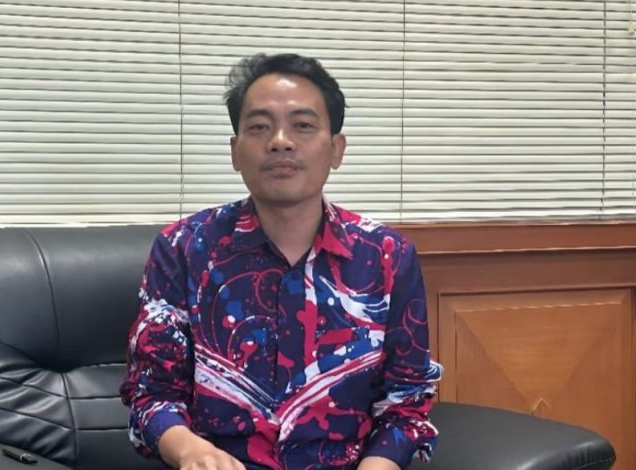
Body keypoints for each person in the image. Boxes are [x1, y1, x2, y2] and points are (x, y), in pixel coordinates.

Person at [120, 53, 442, 470]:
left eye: (302, 125)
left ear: (337, 149)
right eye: (259, 127)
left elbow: (406, 401)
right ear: (235, 152)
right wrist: (191, 451)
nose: (280, 141)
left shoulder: (386, 256)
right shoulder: (183, 248)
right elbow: (152, 393)